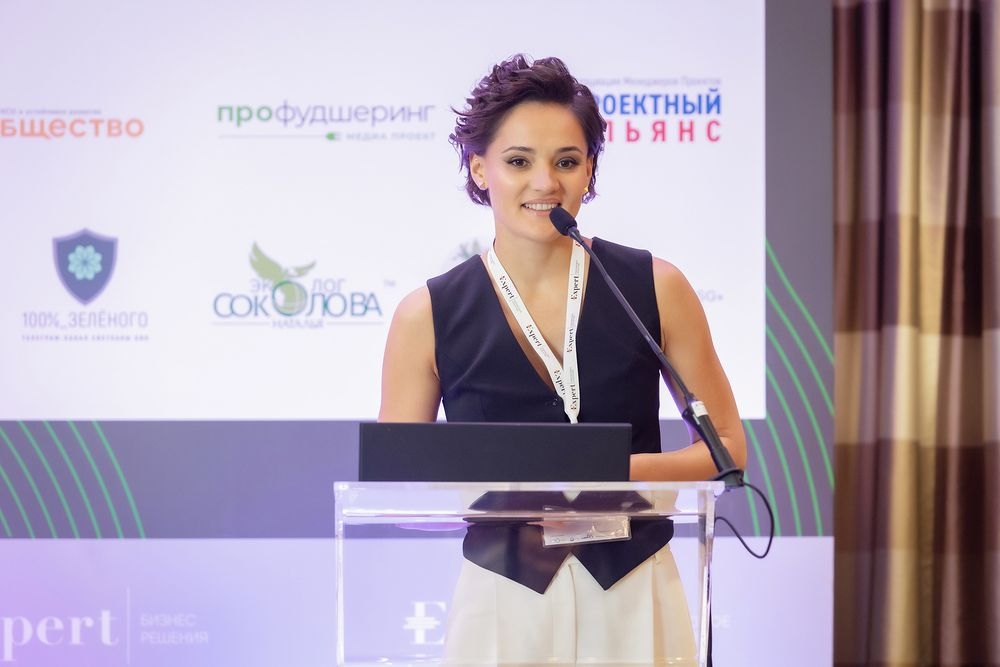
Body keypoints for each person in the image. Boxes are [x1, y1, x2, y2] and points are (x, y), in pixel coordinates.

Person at [379, 54, 747, 665]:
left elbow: (726, 446)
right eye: (519, 161)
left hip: (634, 585)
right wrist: (524, 479)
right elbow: (398, 475)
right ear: (479, 168)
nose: (545, 183)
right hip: (503, 598)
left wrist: (607, 471)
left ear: (589, 170)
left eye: (567, 162)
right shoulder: (427, 314)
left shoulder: (655, 286)